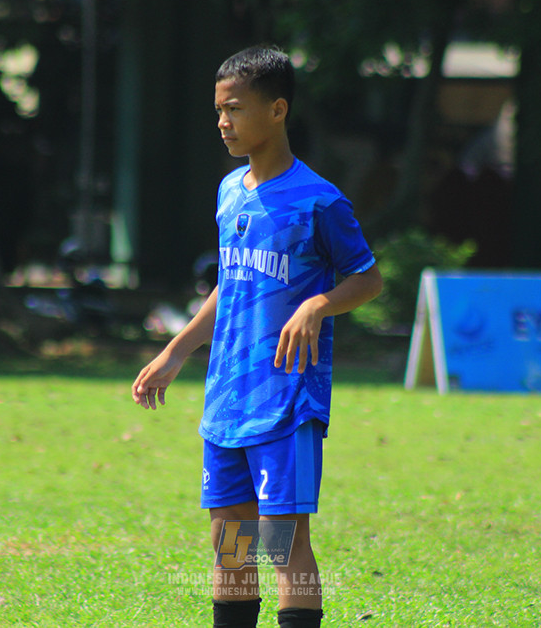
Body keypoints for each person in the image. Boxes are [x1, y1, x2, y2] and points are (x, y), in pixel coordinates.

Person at [132, 46, 383, 628]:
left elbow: (368, 278)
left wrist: (318, 304)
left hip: (287, 399)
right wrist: (176, 351)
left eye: (235, 109)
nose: (223, 122)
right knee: (230, 544)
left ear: (277, 110)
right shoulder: (229, 191)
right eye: (219, 110)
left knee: (281, 542)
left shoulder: (320, 201)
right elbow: (231, 284)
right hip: (228, 396)